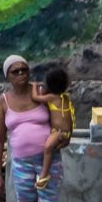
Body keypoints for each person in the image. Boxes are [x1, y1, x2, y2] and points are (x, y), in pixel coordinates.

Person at [0, 54, 61, 202]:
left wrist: (61, 136)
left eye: (24, 70)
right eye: (16, 71)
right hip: (21, 164)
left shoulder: (41, 91)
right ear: (8, 76)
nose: (21, 74)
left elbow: (60, 115)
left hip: (48, 161)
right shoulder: (4, 101)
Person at [36, 65, 77, 193]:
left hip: (58, 132)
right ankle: (45, 173)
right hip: (65, 132)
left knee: (47, 148)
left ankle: (44, 175)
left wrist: (34, 87)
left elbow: (35, 98)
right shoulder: (65, 97)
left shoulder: (51, 98)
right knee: (51, 149)